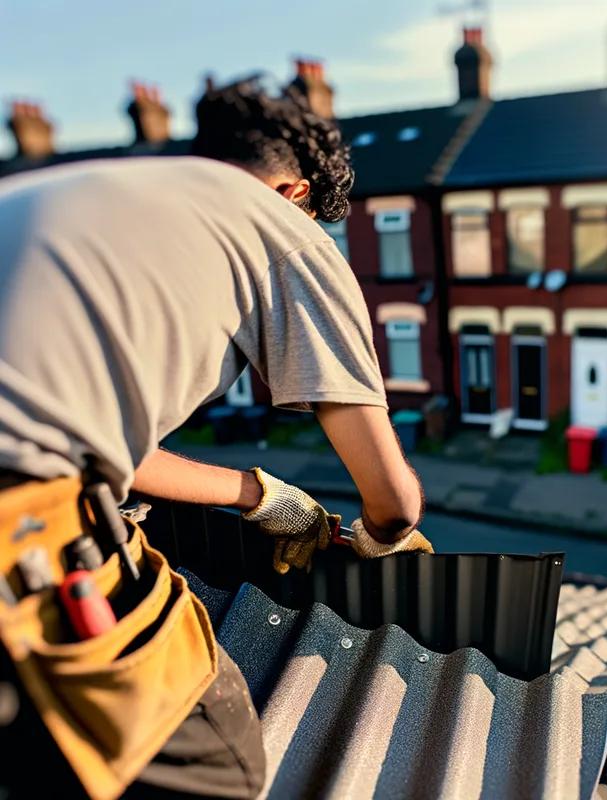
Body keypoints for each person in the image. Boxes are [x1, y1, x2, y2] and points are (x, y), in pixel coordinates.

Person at [0, 76, 430, 799]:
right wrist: (384, 536)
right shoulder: (283, 230)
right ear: (294, 194)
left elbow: (101, 450)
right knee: (218, 757)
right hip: (23, 525)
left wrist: (263, 497)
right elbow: (391, 500)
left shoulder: (86, 193)